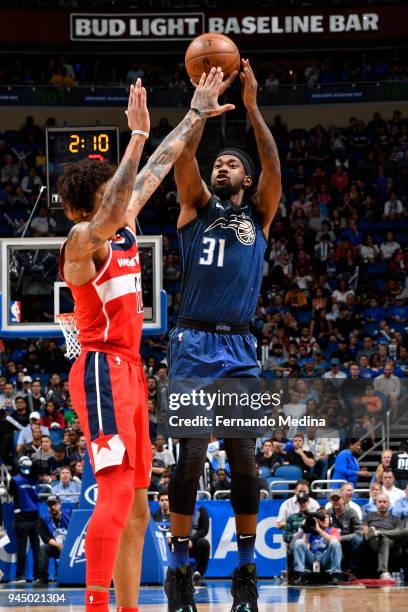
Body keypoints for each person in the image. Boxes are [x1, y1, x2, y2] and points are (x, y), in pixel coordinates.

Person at [58, 70, 234, 612]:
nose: (128, 194)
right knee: (112, 492)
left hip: (132, 371)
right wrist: (135, 137)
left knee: (139, 508)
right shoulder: (81, 241)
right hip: (99, 369)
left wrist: (196, 112)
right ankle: (94, 604)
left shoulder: (126, 215)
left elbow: (162, 162)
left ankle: (129, 607)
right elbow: (111, 212)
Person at [166, 59, 281, 612]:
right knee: (187, 460)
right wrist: (200, 114)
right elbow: (185, 157)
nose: (223, 165)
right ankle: (179, 571)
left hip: (238, 349)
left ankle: (245, 573)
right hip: (191, 344)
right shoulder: (194, 207)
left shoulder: (259, 216)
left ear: (247, 179)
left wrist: (253, 108)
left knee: (245, 463)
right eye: (220, 162)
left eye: (233, 163)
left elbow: (274, 167)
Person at [8, 456, 40, 583]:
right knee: (35, 547)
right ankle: (38, 575)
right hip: (34, 516)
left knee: (22, 547)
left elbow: (10, 494)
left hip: (22, 517)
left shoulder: (15, 480)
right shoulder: (35, 478)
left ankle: (20, 575)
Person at [363, 493, 408, 579]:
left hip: (393, 541)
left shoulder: (395, 518)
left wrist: (380, 532)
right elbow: (366, 534)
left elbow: (398, 533)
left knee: (406, 531)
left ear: (389, 504)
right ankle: (383, 572)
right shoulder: (369, 516)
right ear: (376, 503)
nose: (382, 504)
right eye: (380, 502)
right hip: (375, 541)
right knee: (385, 539)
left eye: (384, 502)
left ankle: (380, 532)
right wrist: (373, 534)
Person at [292, 508, 342, 584]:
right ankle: (300, 574)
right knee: (299, 542)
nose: (324, 520)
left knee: (335, 543)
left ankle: (335, 575)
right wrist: (305, 530)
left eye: (326, 518)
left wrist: (319, 530)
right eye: (322, 518)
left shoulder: (333, 530)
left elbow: (334, 541)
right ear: (317, 520)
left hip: (325, 559)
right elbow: (304, 546)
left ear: (330, 519)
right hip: (312, 559)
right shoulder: (311, 530)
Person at [36, 495, 71, 586]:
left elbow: (75, 531)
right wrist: (59, 545)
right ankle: (43, 578)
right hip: (55, 547)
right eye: (50, 505)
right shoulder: (43, 519)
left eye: (54, 504)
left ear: (60, 505)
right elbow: (46, 538)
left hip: (70, 547)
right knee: (43, 549)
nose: (52, 507)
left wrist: (67, 546)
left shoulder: (69, 514)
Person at [328, 491, 364, 575]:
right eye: (333, 499)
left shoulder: (352, 512)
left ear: (343, 500)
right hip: (333, 539)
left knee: (359, 540)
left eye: (338, 499)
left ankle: (352, 570)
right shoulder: (328, 512)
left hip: (349, 539)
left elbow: (359, 532)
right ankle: (331, 570)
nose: (336, 501)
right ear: (330, 501)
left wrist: (341, 538)